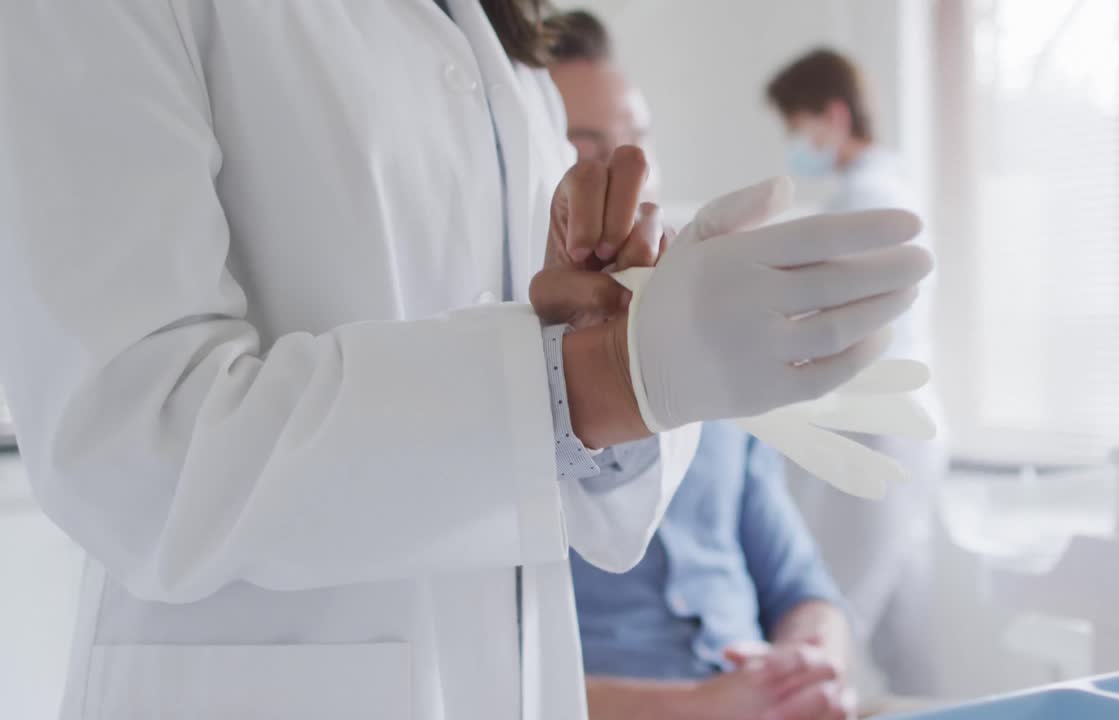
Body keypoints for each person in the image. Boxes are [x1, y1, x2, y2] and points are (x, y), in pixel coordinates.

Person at [0, 2, 931, 717]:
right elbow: (138, 450)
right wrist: (601, 379)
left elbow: (561, 479)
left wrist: (610, 319)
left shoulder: (494, 41)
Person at [548, 13, 857, 719]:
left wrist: (810, 664)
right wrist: (707, 707)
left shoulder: (715, 372)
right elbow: (495, 682)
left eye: (637, 143)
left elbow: (806, 590)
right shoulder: (507, 396)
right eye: (587, 150)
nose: (626, 173)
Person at [767, 48, 950, 696]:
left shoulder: (866, 200)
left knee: (833, 618)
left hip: (879, 434)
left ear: (833, 115)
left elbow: (848, 329)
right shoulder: (881, 190)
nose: (795, 143)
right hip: (906, 434)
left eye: (797, 125)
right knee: (903, 635)